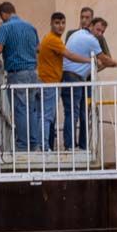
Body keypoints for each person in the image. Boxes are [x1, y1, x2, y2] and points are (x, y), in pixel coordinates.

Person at [61, 18, 117, 151]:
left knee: (79, 112)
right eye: (98, 29)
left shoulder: (78, 33)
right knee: (73, 112)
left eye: (102, 32)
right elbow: (104, 59)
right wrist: (115, 62)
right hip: (72, 77)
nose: (100, 34)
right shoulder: (91, 40)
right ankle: (70, 146)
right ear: (91, 26)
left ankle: (79, 145)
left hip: (74, 77)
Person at [0, 2, 42, 152]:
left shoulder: (5, 27)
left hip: (17, 73)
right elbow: (38, 49)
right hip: (32, 73)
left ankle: (21, 145)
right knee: (31, 109)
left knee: (20, 109)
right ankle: (34, 144)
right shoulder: (30, 27)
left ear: (3, 14)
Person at [37, 13, 91, 151]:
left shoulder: (52, 39)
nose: (60, 26)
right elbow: (70, 55)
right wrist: (90, 60)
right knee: (47, 116)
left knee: (46, 115)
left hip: (49, 81)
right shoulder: (53, 40)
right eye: (57, 23)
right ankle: (43, 146)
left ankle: (43, 145)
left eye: (62, 23)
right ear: (51, 23)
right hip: (49, 81)